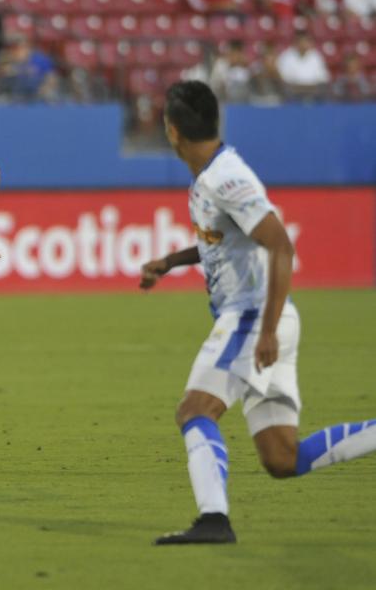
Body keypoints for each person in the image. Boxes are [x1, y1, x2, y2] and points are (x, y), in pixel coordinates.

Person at [140, 80, 376, 545]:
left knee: (195, 409)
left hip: (254, 318)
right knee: (282, 458)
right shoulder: (210, 174)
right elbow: (223, 239)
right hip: (269, 319)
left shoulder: (226, 179)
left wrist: (265, 330)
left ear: (172, 131)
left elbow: (280, 244)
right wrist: (169, 262)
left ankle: (213, 519)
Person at [276, 31, 330, 100]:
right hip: (293, 91)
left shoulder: (316, 56)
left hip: (313, 91)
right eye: (302, 41)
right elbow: (284, 79)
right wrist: (300, 88)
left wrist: (309, 88)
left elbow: (323, 78)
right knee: (286, 90)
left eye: (306, 41)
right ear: (296, 42)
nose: (304, 44)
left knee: (324, 90)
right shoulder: (286, 56)